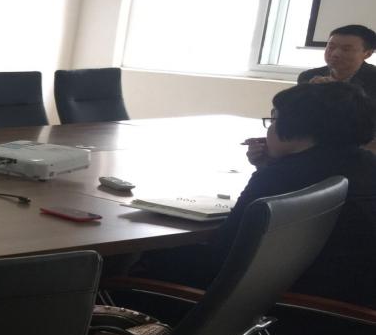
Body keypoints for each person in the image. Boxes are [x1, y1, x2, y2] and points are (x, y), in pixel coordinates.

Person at [135, 82, 376, 308]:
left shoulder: (281, 177)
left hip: (287, 305)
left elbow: (225, 251)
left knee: (146, 259)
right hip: (350, 299)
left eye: (274, 119)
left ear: (297, 127)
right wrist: (269, 166)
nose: (270, 128)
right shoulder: (367, 164)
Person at [297, 24, 376, 100]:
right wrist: (311, 91)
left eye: (346, 49)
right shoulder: (308, 76)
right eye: (331, 47)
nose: (335, 54)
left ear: (368, 54)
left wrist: (337, 89)